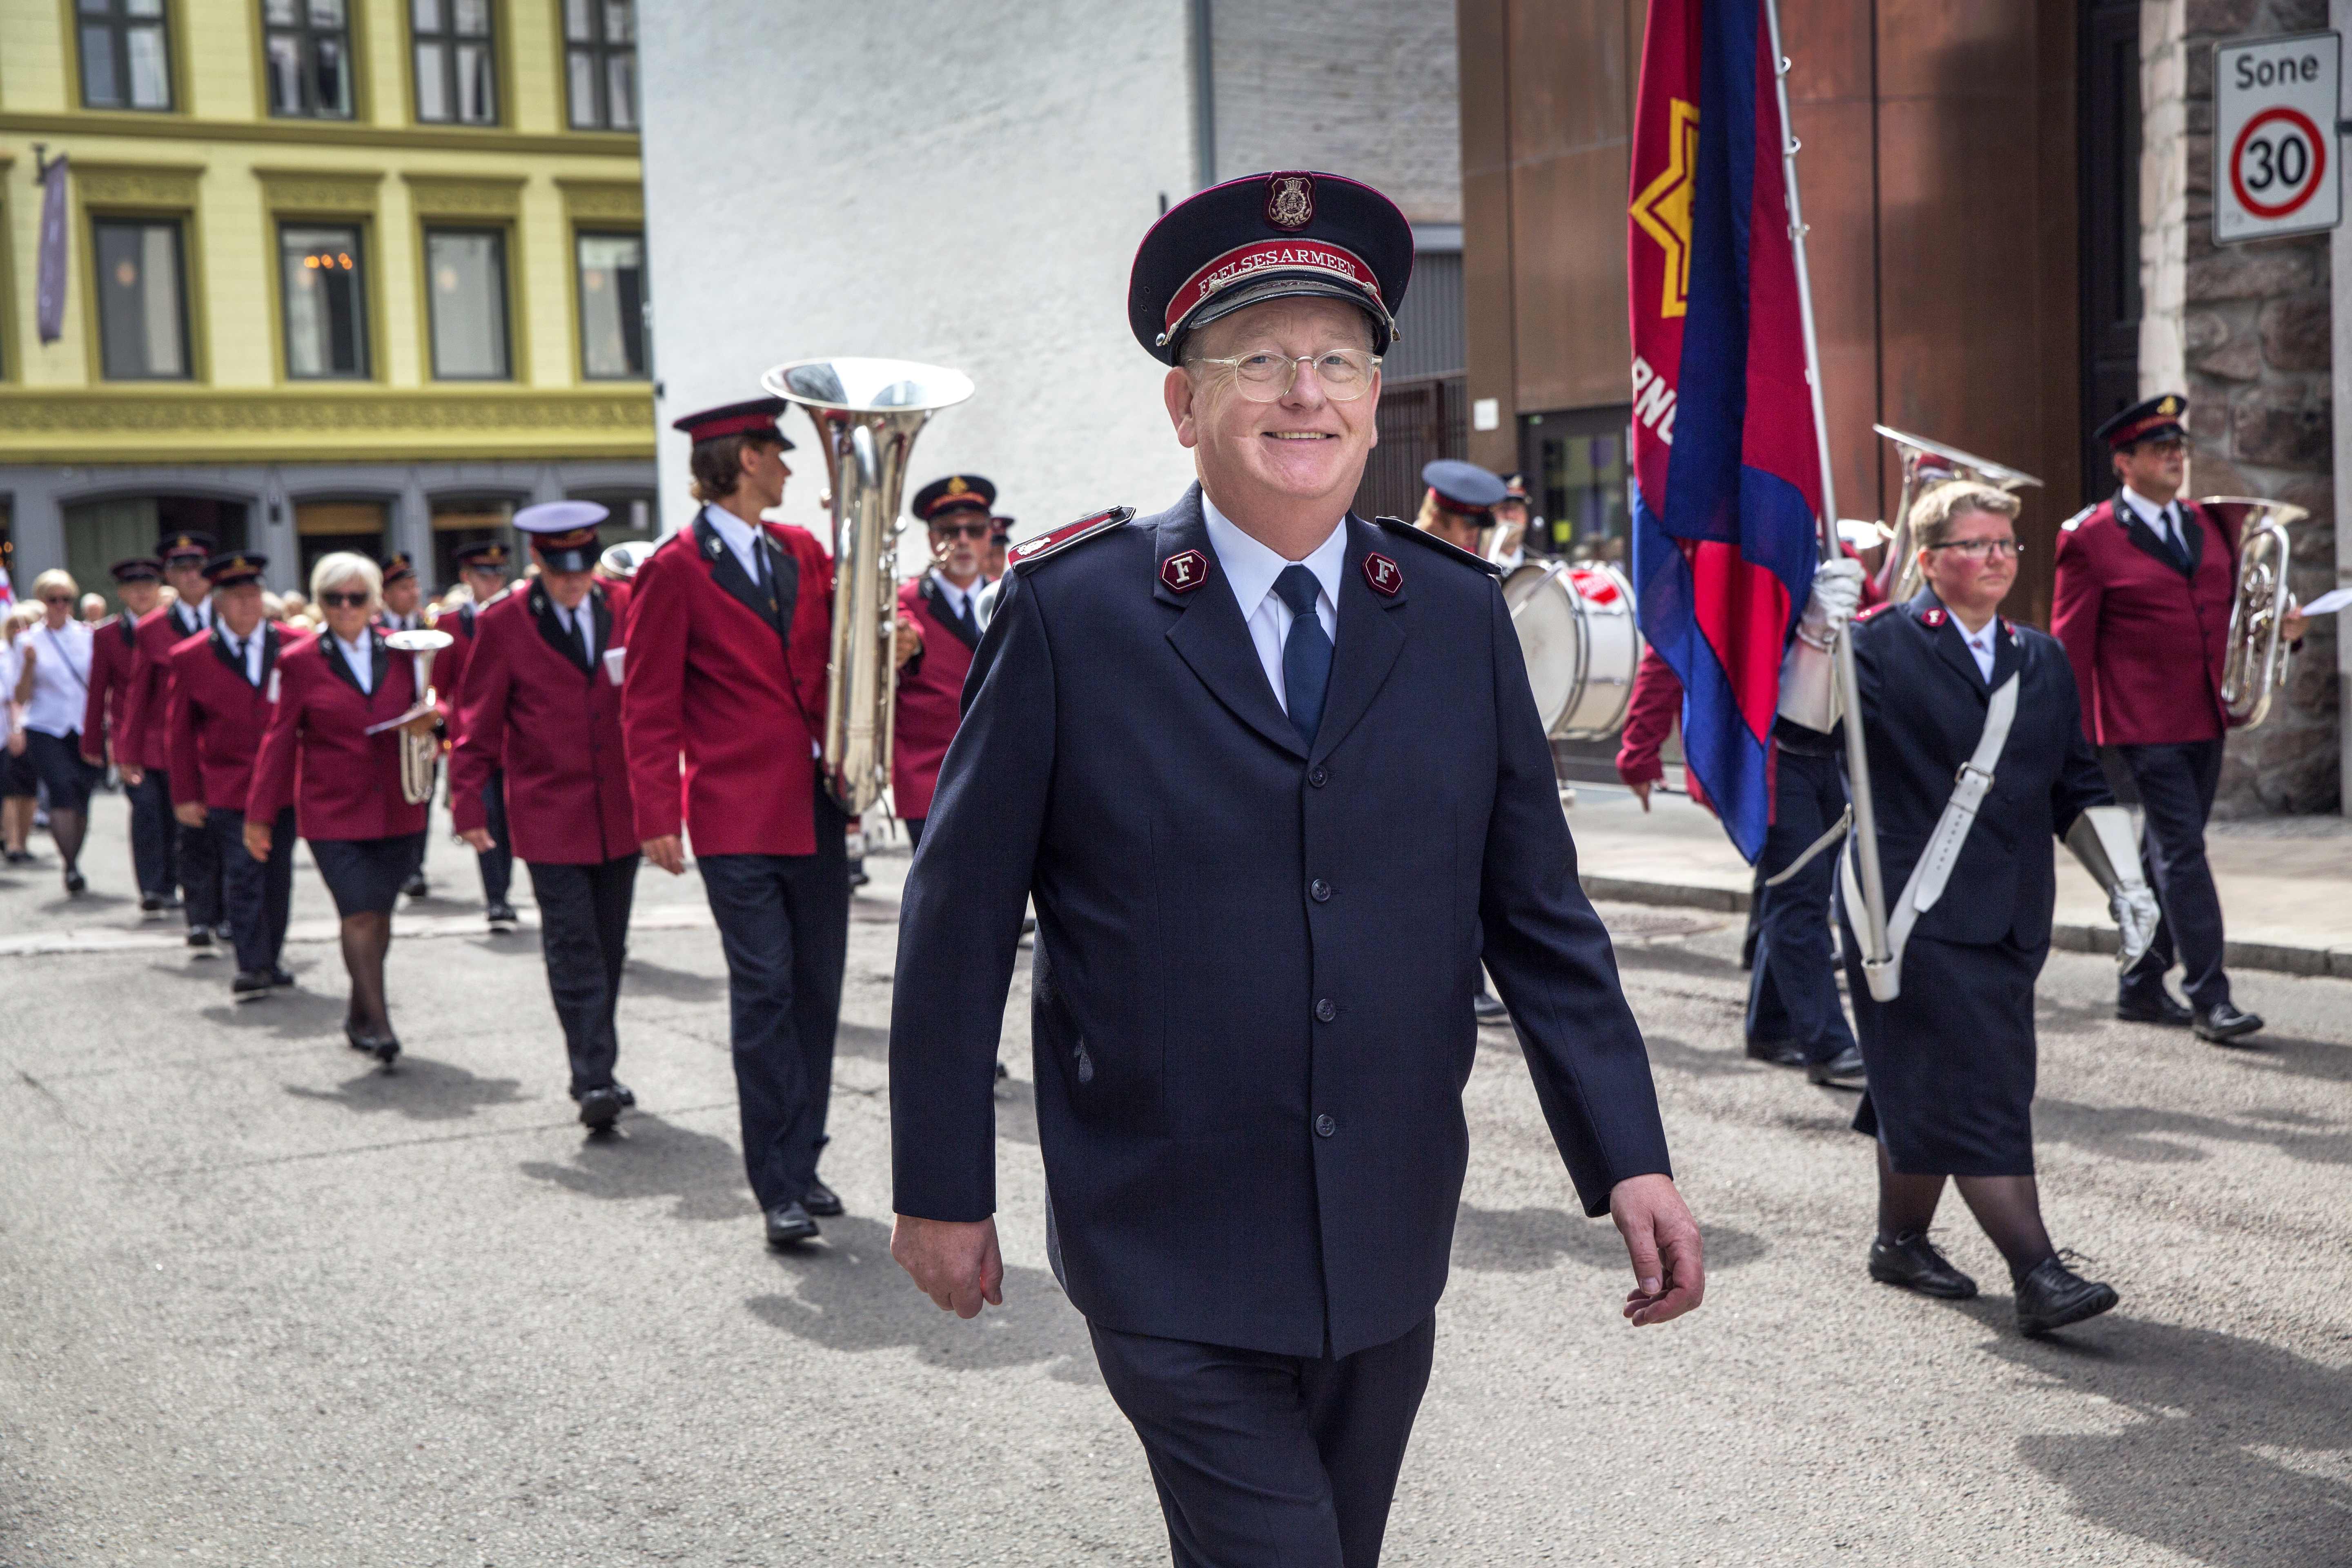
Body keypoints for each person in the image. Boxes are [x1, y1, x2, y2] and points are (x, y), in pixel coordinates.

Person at [888, 170, 1701, 1566]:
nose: (1304, 394)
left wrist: (1628, 1153)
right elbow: (958, 923)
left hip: (1386, 1235)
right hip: (1166, 1235)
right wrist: (940, 1185)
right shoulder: (1075, 615)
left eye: (1337, 362)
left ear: (1375, 400)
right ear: (1184, 404)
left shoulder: (1454, 618)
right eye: (1258, 361)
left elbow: (1540, 919)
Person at [1837, 479, 2156, 1336]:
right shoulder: (1873, 645)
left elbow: (2077, 785)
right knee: (1980, 1087)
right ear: (1929, 559)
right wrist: (1811, 641)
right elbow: (1804, 735)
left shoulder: (2040, 658)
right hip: (1910, 910)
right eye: (1975, 544)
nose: (1996, 558)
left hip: (2010, 913)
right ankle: (2038, 1273)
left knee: (1935, 1076)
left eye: (2007, 544)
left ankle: (1900, 1241)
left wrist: (2127, 885)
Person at [622, 397, 851, 1246]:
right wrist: (656, 812)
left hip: (815, 807)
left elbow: (849, 641)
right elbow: (647, 702)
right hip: (733, 816)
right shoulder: (674, 568)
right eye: (777, 453)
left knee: (818, 993)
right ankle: (776, 1184)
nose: (789, 467)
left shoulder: (802, 550)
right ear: (745, 461)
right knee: (766, 995)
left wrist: (894, 641)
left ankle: (807, 1159)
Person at [2051, 393, 2301, 1045]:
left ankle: (2139, 985)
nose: (2175, 458)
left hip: (2206, 714)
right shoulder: (2089, 538)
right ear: (2124, 462)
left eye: (2179, 447)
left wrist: (2285, 630)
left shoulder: (2206, 523)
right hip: (2141, 723)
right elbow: (2069, 645)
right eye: (2160, 449)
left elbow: (2240, 613)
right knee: (2184, 852)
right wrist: (2062, 737)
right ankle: (2211, 997)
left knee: (2165, 849)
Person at [1616, 550, 1875, 1088]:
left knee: (1796, 889)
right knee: (1799, 893)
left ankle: (1771, 1027)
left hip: (1827, 752)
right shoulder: (1726, 552)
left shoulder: (1834, 547)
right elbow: (1671, 648)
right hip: (1771, 754)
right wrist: (1639, 750)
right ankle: (1829, 1045)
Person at [451, 503, 641, 1131]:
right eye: (562, 571)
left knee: (609, 945)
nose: (574, 581)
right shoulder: (504, 623)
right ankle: (594, 1076)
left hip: (620, 811)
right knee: (573, 945)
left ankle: (599, 1064)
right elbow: (476, 721)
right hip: (549, 815)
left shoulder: (624, 603)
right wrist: (466, 800)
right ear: (538, 562)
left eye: (584, 568)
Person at [247, 552, 436, 1064]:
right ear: (320, 602)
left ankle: (358, 1013)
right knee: (358, 913)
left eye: (357, 597)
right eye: (334, 598)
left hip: (396, 806)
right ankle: (381, 1024)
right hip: (332, 811)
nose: (346, 607)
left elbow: (440, 706)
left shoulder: (405, 651)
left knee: (381, 916)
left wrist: (434, 721)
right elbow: (279, 740)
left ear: (375, 601)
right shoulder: (298, 661)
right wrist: (260, 816)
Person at [166, 552, 296, 999]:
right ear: (218, 603)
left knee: (277, 874)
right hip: (228, 786)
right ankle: (252, 964)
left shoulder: (295, 646)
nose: (248, 604)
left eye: (254, 594)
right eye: (237, 596)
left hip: (284, 786)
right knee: (242, 873)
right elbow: (180, 733)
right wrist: (185, 795)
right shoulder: (191, 657)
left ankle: (271, 958)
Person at [1414, 457, 1516, 1025]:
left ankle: (1468, 984)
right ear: (1441, 515)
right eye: (1467, 526)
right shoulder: (1399, 567)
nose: (1474, 538)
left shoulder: (1464, 577)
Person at [121, 531, 223, 948]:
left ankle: (227, 913)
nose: (192, 576)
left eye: (198, 568)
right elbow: (138, 692)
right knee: (190, 832)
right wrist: (128, 752)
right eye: (182, 570)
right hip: (174, 745)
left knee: (226, 831)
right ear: (170, 577)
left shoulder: (230, 615)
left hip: (224, 743)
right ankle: (199, 917)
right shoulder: (154, 627)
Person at [894, 474, 998, 851]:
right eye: (950, 532)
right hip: (930, 782)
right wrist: (906, 642)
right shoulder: (904, 600)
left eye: (975, 529)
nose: (963, 541)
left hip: (999, 777)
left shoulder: (1010, 596)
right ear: (931, 540)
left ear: (990, 536)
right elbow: (906, 634)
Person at [429, 539, 521, 931]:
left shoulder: (516, 615)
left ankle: (505, 890)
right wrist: (442, 726)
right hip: (473, 740)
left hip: (514, 739)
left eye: (499, 574)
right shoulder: (450, 624)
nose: (493, 582)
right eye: (485, 575)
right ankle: (497, 899)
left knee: (512, 821)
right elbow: (438, 686)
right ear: (467, 577)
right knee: (487, 816)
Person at [79, 557, 173, 912]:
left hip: (172, 736)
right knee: (146, 808)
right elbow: (97, 690)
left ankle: (172, 883)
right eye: (134, 587)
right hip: (130, 737)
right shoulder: (107, 635)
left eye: (148, 585)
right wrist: (92, 742)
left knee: (174, 811)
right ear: (121, 593)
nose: (142, 592)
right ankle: (152, 887)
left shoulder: (173, 628)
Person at [12, 570, 104, 893]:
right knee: (62, 789)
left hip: (84, 726)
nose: (61, 605)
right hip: (45, 726)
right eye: (54, 600)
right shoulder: (28, 640)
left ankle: (74, 857)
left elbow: (100, 683)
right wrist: (28, 664)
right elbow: (21, 696)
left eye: (66, 599)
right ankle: (71, 865)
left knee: (82, 794)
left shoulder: (88, 636)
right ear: (43, 601)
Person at [0, 605, 37, 862]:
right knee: (10, 789)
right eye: (14, 625)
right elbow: (11, 697)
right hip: (9, 732)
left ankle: (22, 843)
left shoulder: (40, 652)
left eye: (25, 625)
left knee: (29, 789)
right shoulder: (3, 654)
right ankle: (11, 842)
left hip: (37, 728)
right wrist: (16, 729)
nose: (19, 631)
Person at [1490, 474, 1532, 572]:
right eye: (1503, 509)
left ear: (1526, 516)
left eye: (1516, 509)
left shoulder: (1536, 566)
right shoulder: (1480, 562)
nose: (1510, 516)